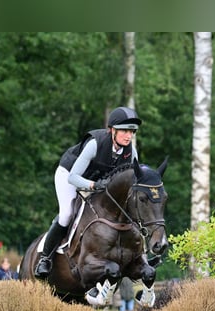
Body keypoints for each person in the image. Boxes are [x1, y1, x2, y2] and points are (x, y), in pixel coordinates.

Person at [34, 106, 142, 279]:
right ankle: (45, 258)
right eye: (124, 131)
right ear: (112, 130)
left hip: (97, 182)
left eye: (132, 132)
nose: (128, 136)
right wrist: (93, 185)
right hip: (69, 175)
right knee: (67, 214)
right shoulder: (95, 144)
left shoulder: (131, 153)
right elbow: (74, 178)